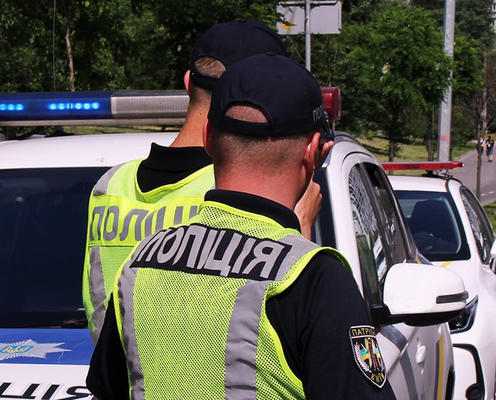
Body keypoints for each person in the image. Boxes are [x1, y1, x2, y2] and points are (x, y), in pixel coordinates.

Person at [86, 54, 396, 400]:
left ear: (207, 138)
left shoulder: (142, 261)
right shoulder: (314, 279)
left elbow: (108, 387)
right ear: (313, 151)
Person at [81, 20, 322, 342]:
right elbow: (285, 305)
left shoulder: (110, 185)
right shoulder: (240, 189)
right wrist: (300, 226)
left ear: (186, 82)